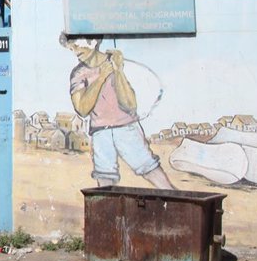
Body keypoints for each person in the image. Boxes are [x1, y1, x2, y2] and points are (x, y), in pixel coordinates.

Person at [60, 34, 175, 189]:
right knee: (105, 180)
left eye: (77, 45)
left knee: (150, 170)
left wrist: (118, 71)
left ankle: (183, 208)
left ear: (93, 41)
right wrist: (101, 78)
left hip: (126, 127)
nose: (75, 51)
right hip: (100, 132)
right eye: (71, 48)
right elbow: (82, 108)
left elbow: (130, 104)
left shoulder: (116, 60)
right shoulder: (78, 73)